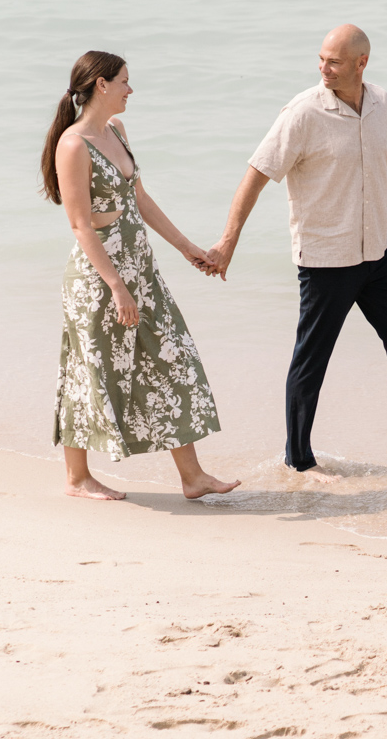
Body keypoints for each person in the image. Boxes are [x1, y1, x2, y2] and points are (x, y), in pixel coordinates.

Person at [202, 25, 387, 482]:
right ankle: (299, 458)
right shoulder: (303, 113)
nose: (322, 68)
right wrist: (228, 242)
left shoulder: (381, 103)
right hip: (325, 257)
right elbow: (256, 172)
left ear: (361, 63)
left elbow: (384, 168)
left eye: (332, 61)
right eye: (321, 59)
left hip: (378, 252)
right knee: (312, 358)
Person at [41, 50, 239, 502]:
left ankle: (193, 477)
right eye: (126, 81)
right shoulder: (73, 144)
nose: (132, 89)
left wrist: (188, 247)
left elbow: (140, 200)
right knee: (91, 371)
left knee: (171, 358)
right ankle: (76, 479)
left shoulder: (116, 131)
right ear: (102, 85)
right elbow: (80, 224)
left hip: (140, 271)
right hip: (99, 280)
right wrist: (115, 286)